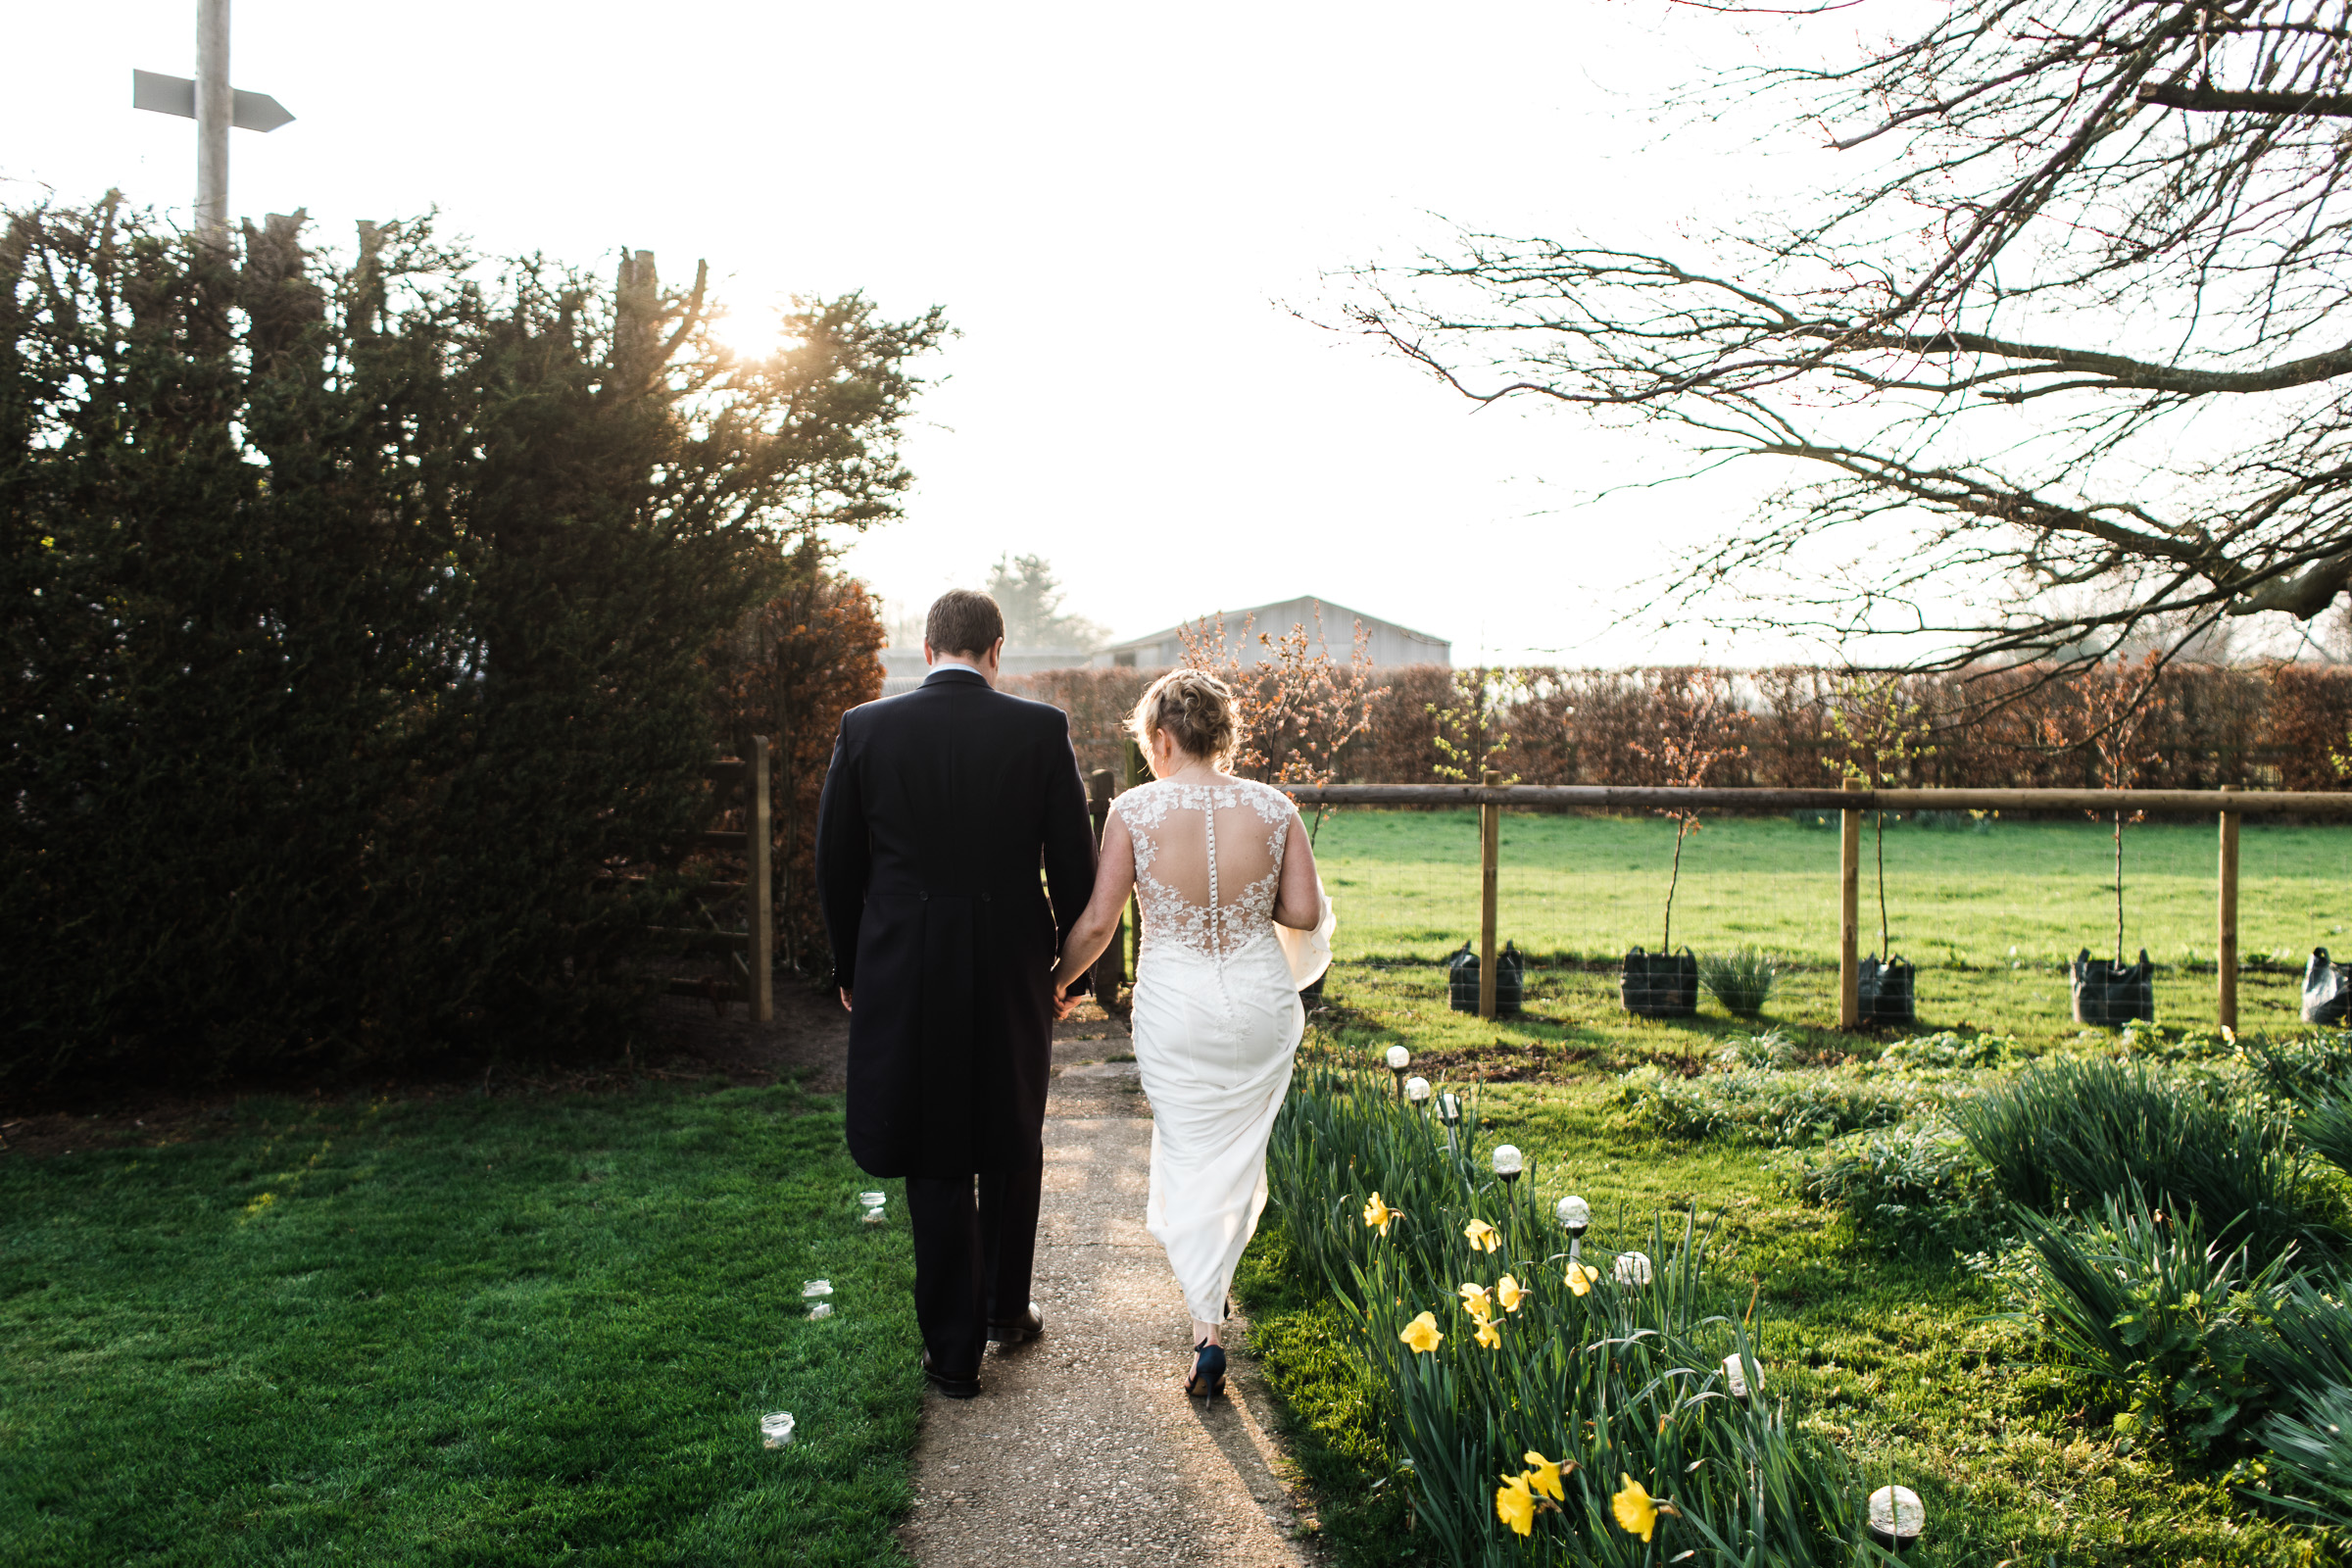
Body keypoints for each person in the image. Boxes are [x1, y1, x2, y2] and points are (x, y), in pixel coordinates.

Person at [815, 588, 1098, 1399]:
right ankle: (1007, 1309)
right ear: (996, 650)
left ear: (928, 645)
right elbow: (1074, 867)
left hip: (904, 964)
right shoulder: (1040, 730)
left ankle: (950, 1351)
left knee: (933, 1138)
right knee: (1011, 1124)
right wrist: (1067, 973)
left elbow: (838, 863)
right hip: (1010, 958)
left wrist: (850, 966)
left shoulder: (865, 727)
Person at [1049, 669, 1331, 1397]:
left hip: (1176, 1009)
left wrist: (1058, 979)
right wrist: (1242, 900)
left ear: (1163, 738)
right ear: (1224, 735)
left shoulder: (1134, 811)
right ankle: (1212, 1301)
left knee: (1188, 1153)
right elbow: (1302, 913)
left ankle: (1207, 1328)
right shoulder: (1274, 808)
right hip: (1261, 1006)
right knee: (1236, 1158)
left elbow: (1098, 923)